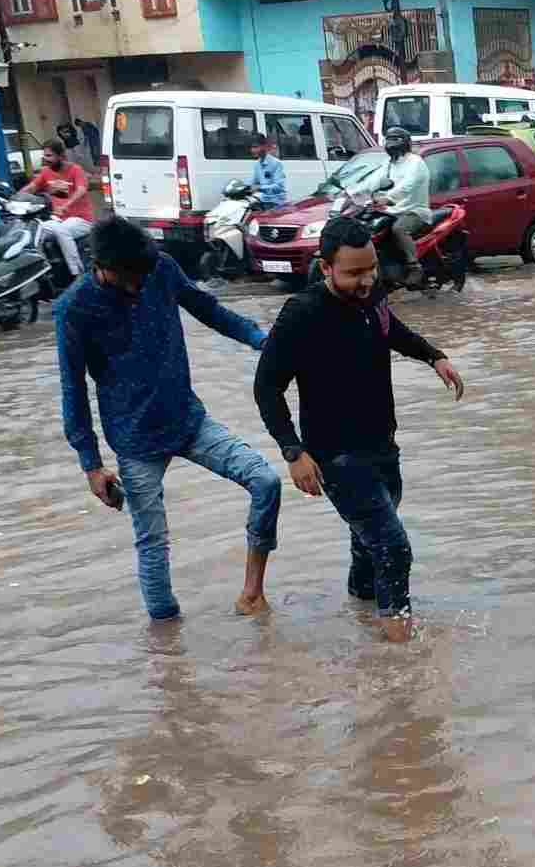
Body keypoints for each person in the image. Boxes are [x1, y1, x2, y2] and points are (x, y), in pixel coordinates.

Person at [56, 217, 282, 621]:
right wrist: (91, 465)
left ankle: (251, 594)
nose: (138, 286)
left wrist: (261, 341)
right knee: (153, 546)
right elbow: (73, 392)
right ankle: (167, 655)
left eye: (142, 275)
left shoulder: (159, 268)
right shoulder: (74, 308)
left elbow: (208, 310)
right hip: (133, 439)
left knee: (266, 482)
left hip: (187, 419)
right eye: (129, 278)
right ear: (102, 266)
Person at [253, 215, 464, 643]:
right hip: (336, 456)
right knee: (393, 548)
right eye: (353, 273)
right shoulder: (302, 314)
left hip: (382, 446)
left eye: (370, 268)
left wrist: (432, 355)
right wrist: (293, 452)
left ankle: (361, 626)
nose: (366, 279)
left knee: (368, 547)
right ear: (326, 266)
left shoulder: (372, 294)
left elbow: (390, 329)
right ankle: (400, 653)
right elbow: (266, 387)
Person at [23, 138, 94, 280]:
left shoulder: (75, 170)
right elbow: (31, 188)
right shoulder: (45, 172)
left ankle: (77, 274)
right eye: (44, 155)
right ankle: (42, 274)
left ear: (61, 156)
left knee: (62, 231)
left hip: (81, 220)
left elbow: (81, 190)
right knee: (34, 231)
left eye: (49, 155)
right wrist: (14, 198)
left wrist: (65, 205)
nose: (45, 158)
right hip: (58, 220)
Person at [371, 126, 432, 274]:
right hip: (392, 211)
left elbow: (407, 186)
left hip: (415, 210)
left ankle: (414, 267)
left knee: (399, 229)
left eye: (395, 139)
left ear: (404, 142)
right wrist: (354, 192)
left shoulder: (415, 162)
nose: (391, 143)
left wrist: (388, 198)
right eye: (389, 139)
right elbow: (374, 180)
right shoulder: (390, 163)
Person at [250, 135, 287, 208]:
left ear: (264, 146)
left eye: (256, 147)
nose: (253, 150)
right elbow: (253, 182)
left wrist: (260, 188)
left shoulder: (276, 163)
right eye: (252, 147)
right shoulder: (257, 164)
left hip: (275, 202)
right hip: (263, 200)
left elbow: (279, 186)